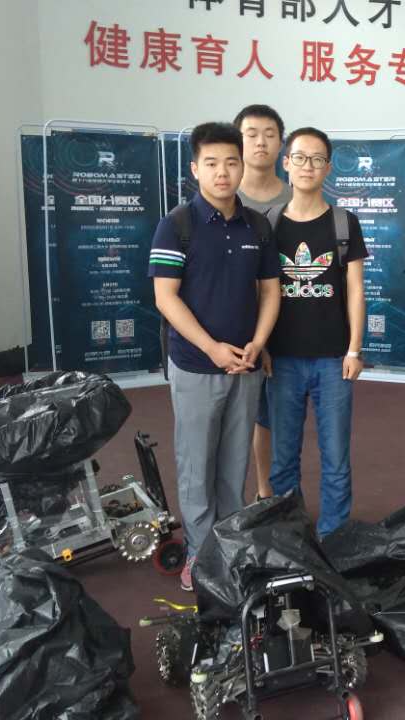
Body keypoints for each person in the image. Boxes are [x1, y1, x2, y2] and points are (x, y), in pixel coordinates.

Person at [151, 122, 281, 590]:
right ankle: (200, 555)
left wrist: (258, 342)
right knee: (196, 465)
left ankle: (229, 549)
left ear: (242, 166)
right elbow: (166, 297)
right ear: (195, 169)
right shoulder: (178, 225)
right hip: (195, 366)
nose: (222, 172)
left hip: (246, 366)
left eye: (231, 162)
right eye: (212, 163)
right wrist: (212, 348)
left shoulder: (257, 226)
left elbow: (270, 291)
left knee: (233, 465)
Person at [263, 127, 368, 536]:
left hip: (333, 359)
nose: (308, 166)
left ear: (328, 167)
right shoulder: (269, 224)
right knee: (283, 457)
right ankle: (288, 532)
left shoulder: (344, 223)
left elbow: (355, 290)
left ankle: (333, 534)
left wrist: (355, 349)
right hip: (282, 358)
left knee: (335, 456)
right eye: (300, 157)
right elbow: (261, 291)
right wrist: (262, 345)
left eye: (317, 159)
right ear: (286, 163)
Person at [233, 104, 293, 503]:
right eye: (251, 134)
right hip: (237, 325)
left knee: (277, 416)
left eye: (270, 134)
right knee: (242, 417)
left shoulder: (297, 194)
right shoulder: (223, 195)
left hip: (290, 323)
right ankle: (253, 492)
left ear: (281, 144)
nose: (260, 142)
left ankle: (274, 493)